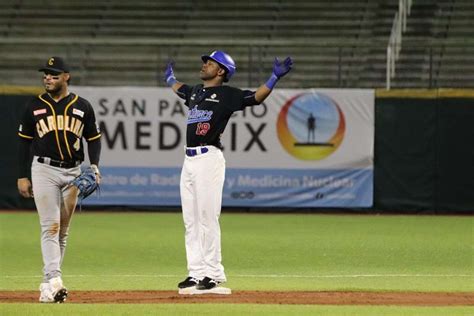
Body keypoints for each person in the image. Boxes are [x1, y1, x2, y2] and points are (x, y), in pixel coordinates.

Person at [164, 50, 292, 294]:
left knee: (207, 217)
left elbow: (255, 97)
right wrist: (169, 78)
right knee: (191, 220)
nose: (204, 65)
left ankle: (213, 274)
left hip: (208, 159)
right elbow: (179, 88)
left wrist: (274, 78)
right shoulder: (195, 92)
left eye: (210, 63)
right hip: (188, 160)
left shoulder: (227, 95)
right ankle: (196, 272)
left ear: (221, 71)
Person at [17, 56, 102, 303]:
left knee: (63, 230)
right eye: (45, 75)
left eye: (54, 75)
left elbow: (93, 138)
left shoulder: (82, 105)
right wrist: (23, 175)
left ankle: (47, 286)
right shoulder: (34, 105)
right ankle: (55, 279)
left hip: (74, 172)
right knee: (50, 226)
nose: (48, 79)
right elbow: (23, 142)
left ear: (66, 77)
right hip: (44, 170)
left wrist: (94, 166)